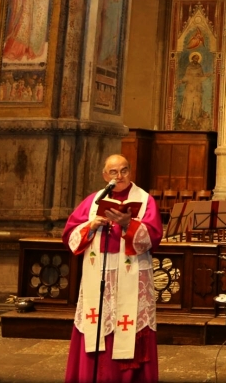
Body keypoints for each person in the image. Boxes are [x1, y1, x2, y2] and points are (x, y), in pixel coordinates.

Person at [63, 154, 162, 383]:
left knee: (129, 325)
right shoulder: (92, 201)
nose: (120, 176)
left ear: (130, 172)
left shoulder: (145, 201)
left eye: (124, 170)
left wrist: (128, 223)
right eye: (114, 172)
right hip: (100, 273)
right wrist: (92, 224)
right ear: (105, 175)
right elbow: (69, 235)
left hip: (132, 273)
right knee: (96, 325)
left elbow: (154, 236)